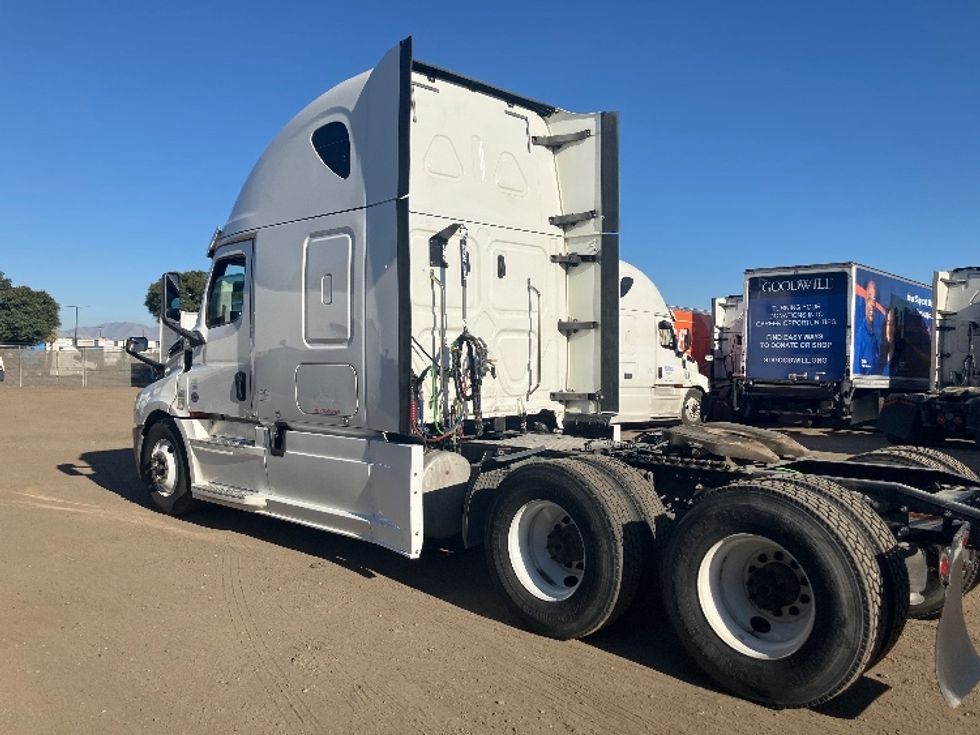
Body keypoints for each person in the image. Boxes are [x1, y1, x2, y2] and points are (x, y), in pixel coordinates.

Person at [854, 279, 882, 374]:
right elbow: (857, 366)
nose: (873, 304)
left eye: (875, 299)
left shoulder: (876, 333)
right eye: (869, 298)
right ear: (864, 301)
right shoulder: (861, 334)